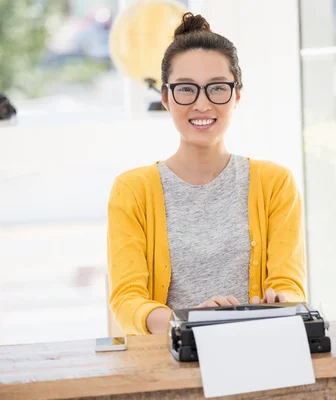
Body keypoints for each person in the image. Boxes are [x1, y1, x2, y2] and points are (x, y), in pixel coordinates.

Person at [107, 12, 306, 335]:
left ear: (236, 95)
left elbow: (289, 282)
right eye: (186, 90)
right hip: (172, 362)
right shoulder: (132, 190)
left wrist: (282, 300)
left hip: (260, 351)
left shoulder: (275, 183)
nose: (202, 104)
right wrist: (186, 322)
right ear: (166, 98)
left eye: (217, 88)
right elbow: (127, 300)